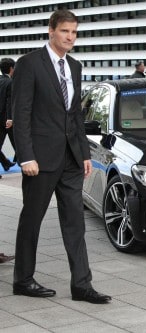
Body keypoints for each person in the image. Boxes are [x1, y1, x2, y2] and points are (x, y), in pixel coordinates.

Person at [11, 9, 111, 304]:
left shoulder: (75, 66)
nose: (71, 37)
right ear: (51, 30)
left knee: (75, 223)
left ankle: (82, 285)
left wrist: (83, 153)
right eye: (66, 31)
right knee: (32, 219)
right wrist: (26, 156)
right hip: (39, 160)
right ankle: (23, 279)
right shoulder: (29, 64)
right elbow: (21, 113)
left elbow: (75, 117)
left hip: (70, 160)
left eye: (74, 32)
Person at [0, 58, 16, 172]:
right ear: (11, 68)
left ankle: (6, 163)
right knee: (20, 143)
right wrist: (10, 118)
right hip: (8, 120)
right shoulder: (11, 82)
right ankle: (25, 163)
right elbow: (10, 101)